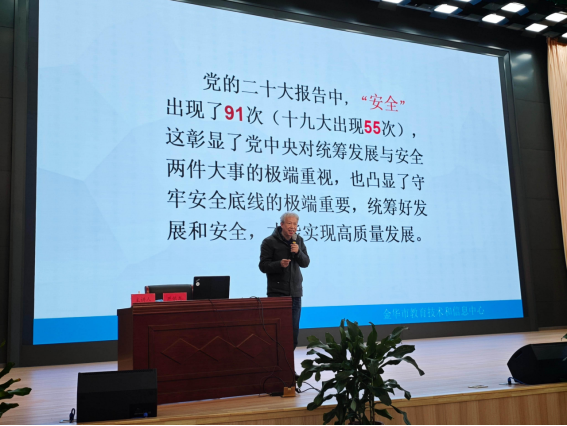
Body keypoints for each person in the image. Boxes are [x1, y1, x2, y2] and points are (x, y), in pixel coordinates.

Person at [259, 212, 310, 350]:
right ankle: (276, 362)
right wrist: (279, 264)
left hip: (295, 293)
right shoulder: (269, 242)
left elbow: (306, 263)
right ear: (281, 224)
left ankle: (289, 362)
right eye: (289, 223)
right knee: (277, 331)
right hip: (277, 293)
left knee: (293, 332)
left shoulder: (298, 240)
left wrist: (298, 252)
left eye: (295, 224)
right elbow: (263, 266)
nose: (292, 227)